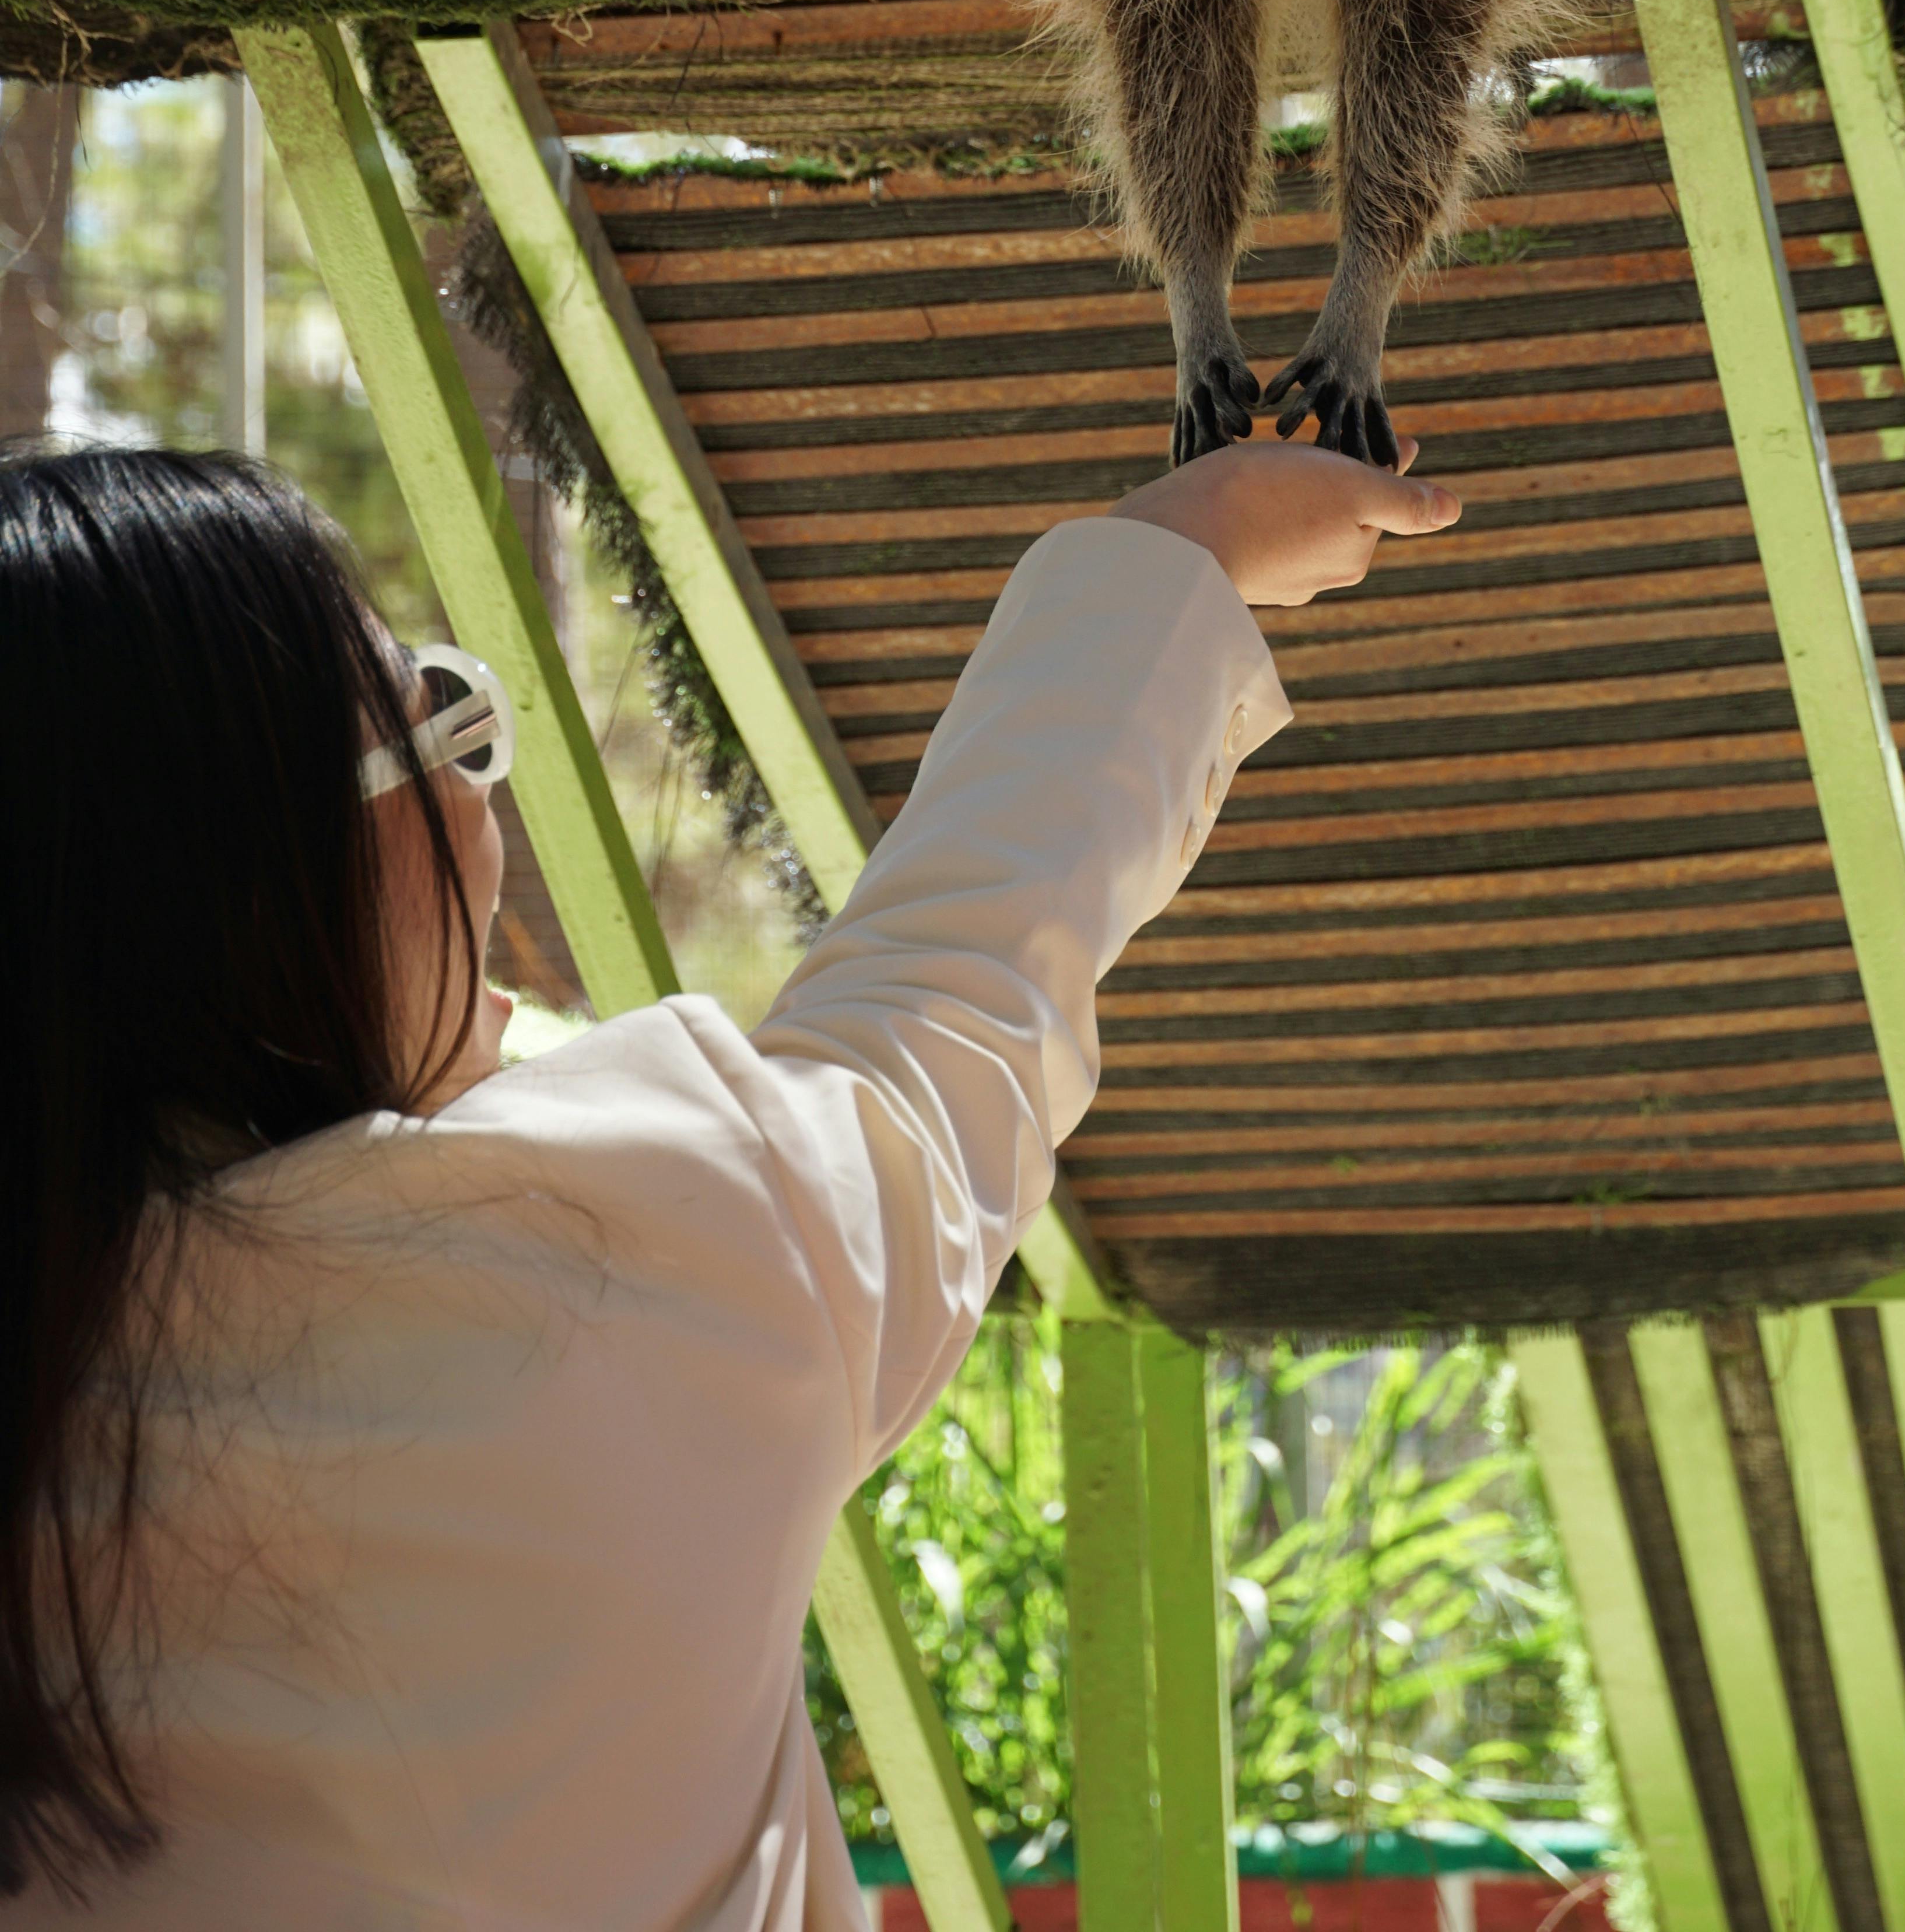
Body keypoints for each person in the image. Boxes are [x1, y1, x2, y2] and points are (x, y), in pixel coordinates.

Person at [0, 431, 1459, 1929]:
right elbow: (951, 1008)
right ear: (245, 875)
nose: (477, 807)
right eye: (436, 728)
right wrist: (1179, 557)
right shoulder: (568, 1279)